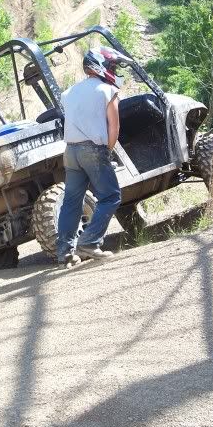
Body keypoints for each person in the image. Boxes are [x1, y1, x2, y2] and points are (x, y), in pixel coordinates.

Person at [55, 46, 127, 268]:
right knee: (111, 196)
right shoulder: (108, 91)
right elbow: (113, 128)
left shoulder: (68, 93)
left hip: (71, 152)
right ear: (100, 66)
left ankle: (65, 254)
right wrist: (108, 149)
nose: (113, 70)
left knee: (71, 202)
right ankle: (89, 242)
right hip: (92, 151)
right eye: (112, 66)